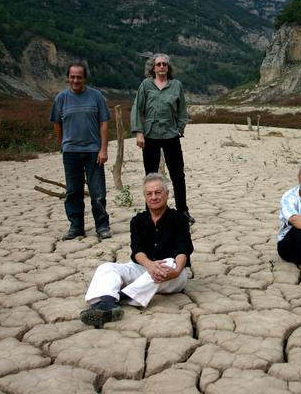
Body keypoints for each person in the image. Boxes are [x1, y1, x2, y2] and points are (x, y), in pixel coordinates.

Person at [80, 173, 193, 328]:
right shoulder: (138, 220)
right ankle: (107, 303)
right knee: (106, 267)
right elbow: (137, 250)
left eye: (158, 192)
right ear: (145, 197)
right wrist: (149, 265)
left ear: (167, 194)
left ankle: (115, 298)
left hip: (172, 275)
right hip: (144, 268)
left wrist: (177, 270)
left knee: (169, 263)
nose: (153, 197)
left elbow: (183, 248)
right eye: (149, 193)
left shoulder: (179, 219)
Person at [50, 61, 112, 240]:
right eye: (72, 77)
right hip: (70, 152)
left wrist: (103, 149)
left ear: (84, 78)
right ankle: (76, 227)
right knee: (73, 192)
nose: (75, 80)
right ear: (68, 78)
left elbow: (104, 123)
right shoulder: (61, 98)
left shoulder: (96, 96)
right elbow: (56, 123)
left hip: (93, 151)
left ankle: (102, 226)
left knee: (97, 192)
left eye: (79, 77)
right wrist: (63, 144)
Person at [130, 53, 194, 225]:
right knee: (151, 175)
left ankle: (183, 211)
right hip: (150, 134)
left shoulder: (176, 85)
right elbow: (137, 109)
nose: (161, 67)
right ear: (153, 67)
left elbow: (182, 110)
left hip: (170, 134)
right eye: (158, 64)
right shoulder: (146, 85)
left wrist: (179, 128)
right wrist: (139, 132)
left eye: (164, 64)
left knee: (177, 174)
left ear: (168, 67)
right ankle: (151, 212)